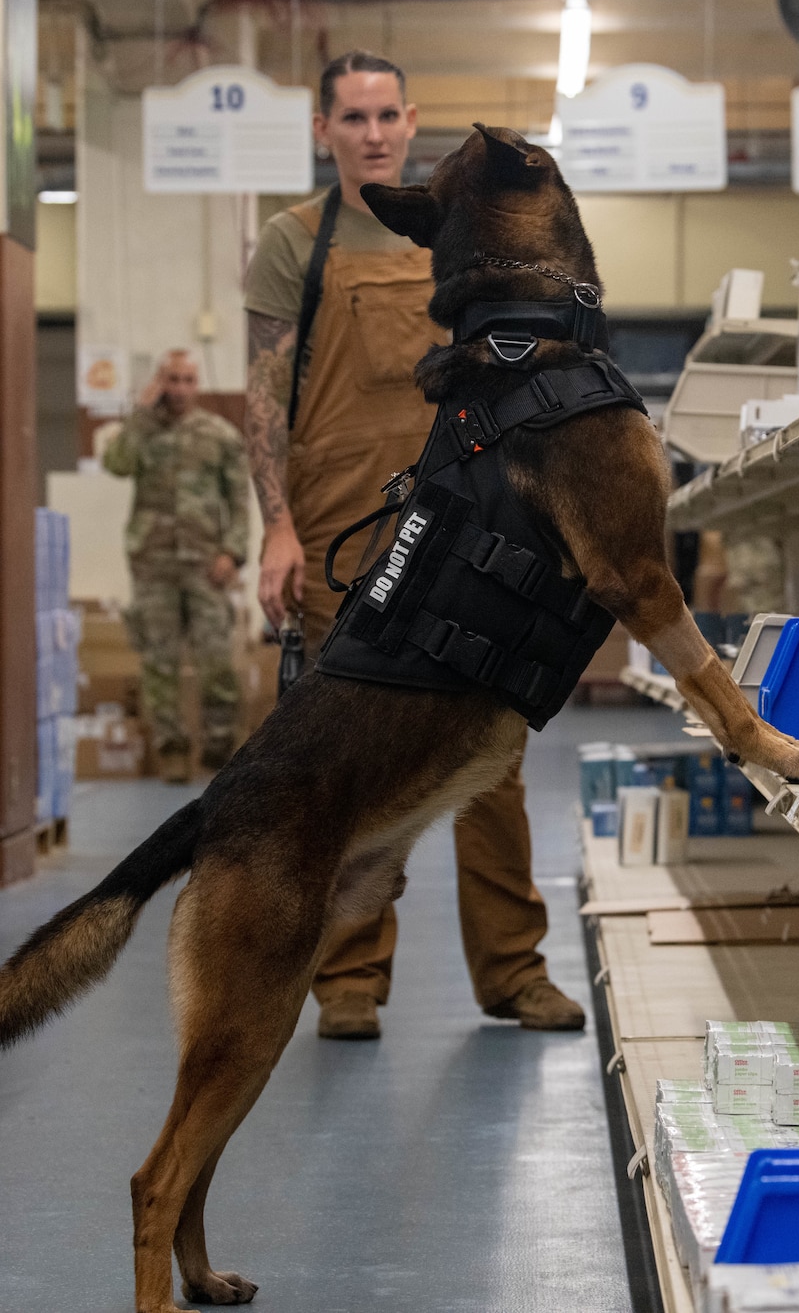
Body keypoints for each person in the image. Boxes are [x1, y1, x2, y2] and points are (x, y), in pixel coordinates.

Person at [241, 50, 585, 1041]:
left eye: (388, 115)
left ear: (411, 119)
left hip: (471, 527)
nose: (373, 132)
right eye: (353, 118)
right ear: (325, 131)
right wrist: (273, 524)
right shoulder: (290, 243)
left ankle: (513, 972)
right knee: (350, 763)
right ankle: (346, 977)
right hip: (341, 527)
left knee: (490, 756)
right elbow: (264, 393)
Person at [103, 350, 250, 784]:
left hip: (207, 564)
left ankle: (219, 748)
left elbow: (240, 501)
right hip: (153, 565)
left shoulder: (219, 434)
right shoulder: (143, 432)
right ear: (160, 382)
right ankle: (172, 751)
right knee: (159, 662)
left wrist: (234, 552)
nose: (180, 388)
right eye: (172, 379)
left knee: (216, 661)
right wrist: (139, 413)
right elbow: (116, 464)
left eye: (188, 380)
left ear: (197, 384)